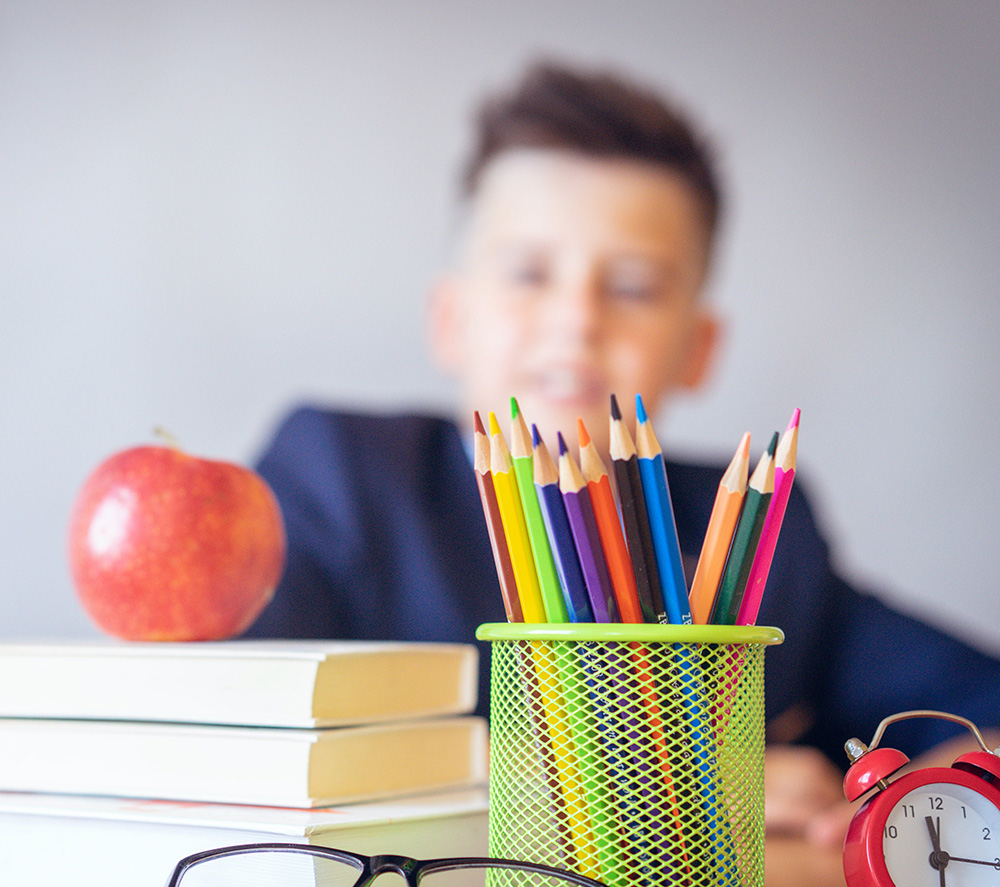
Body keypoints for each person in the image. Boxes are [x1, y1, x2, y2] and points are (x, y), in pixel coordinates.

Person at [246, 61, 999, 845]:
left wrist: (915, 808)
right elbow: (233, 734)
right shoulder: (339, 474)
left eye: (634, 287)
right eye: (529, 273)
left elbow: (983, 715)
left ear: (698, 349)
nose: (576, 318)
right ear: (450, 319)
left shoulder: (757, 534)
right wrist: (698, 783)